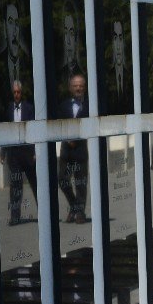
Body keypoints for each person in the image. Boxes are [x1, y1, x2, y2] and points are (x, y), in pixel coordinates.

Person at [1, 80, 37, 225]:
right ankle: (15, 216)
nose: (17, 94)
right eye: (14, 92)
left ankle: (45, 211)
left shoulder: (29, 108)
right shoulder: (8, 109)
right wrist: (3, 152)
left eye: (19, 92)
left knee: (35, 183)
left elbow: (34, 131)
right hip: (13, 154)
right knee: (15, 186)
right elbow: (6, 131)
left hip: (28, 153)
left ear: (22, 93)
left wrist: (35, 151)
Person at [57, 74, 89, 223]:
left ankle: (80, 213)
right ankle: (74, 206)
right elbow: (58, 125)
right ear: (70, 88)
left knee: (80, 182)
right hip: (66, 150)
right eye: (75, 85)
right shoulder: (63, 105)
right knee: (62, 179)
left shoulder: (90, 105)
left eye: (81, 85)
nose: (78, 88)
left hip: (80, 150)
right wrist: (66, 138)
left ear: (85, 87)